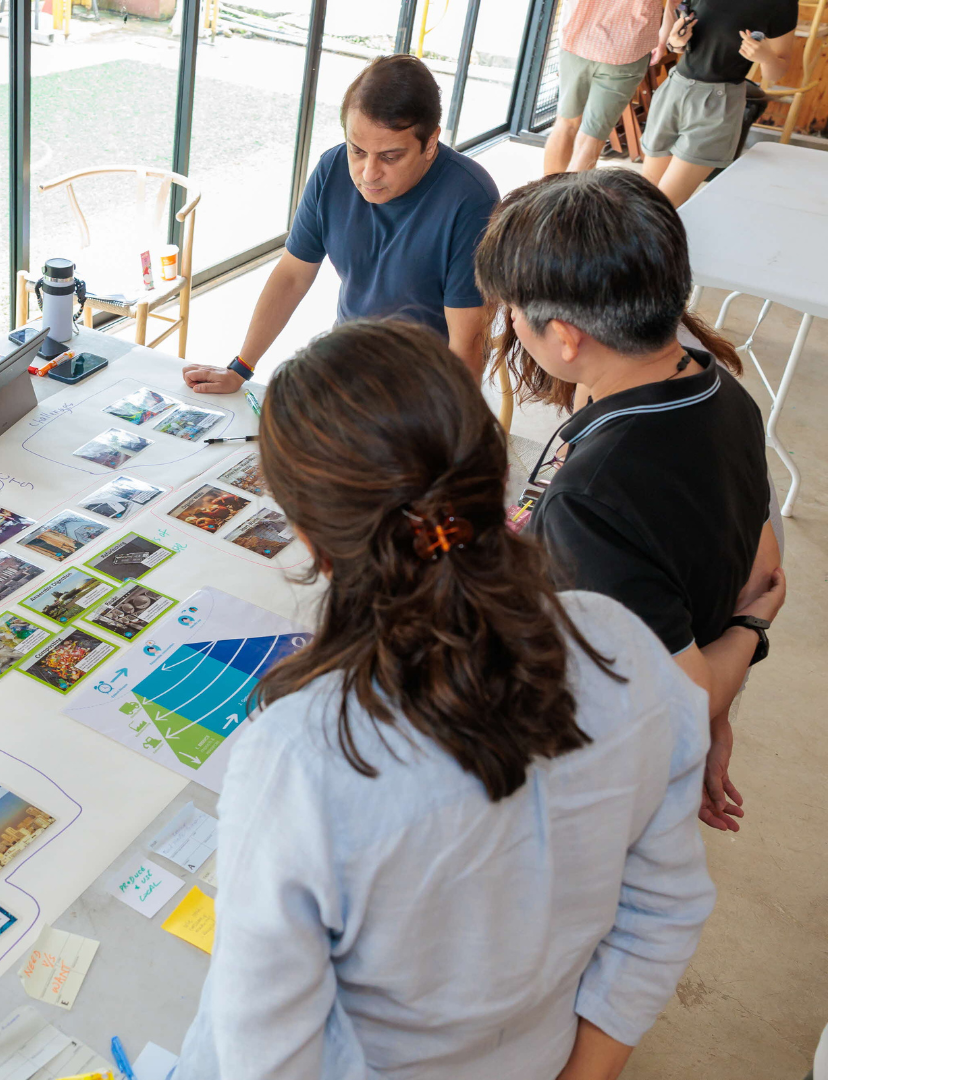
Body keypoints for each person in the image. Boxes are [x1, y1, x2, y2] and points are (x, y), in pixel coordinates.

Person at [174, 320, 716, 1080]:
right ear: (499, 472)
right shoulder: (625, 647)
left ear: (308, 536)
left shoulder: (300, 756)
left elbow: (263, 1058)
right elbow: (664, 911)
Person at [477, 168, 788, 832]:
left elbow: (681, 699)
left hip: (587, 764)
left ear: (565, 336)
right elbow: (758, 567)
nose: (507, 321)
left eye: (510, 308)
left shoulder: (592, 500)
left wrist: (743, 640)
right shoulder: (718, 387)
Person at [183, 54, 498, 394]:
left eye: (390, 157)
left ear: (431, 142)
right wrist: (240, 368)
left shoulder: (472, 200)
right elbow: (292, 276)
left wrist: (446, 436)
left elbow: (467, 344)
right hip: (346, 364)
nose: (368, 173)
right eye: (357, 150)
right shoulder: (332, 169)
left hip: (423, 386)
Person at [641, 0, 799, 205]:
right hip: (674, 90)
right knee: (644, 197)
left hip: (718, 103)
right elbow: (678, 44)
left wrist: (766, 58)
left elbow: (777, 72)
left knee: (665, 204)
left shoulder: (780, 4)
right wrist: (675, 42)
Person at [542, 0, 674, 174]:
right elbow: (674, 3)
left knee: (565, 123)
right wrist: (662, 39)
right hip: (627, 48)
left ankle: (544, 196)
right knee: (593, 136)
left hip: (578, 38)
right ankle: (569, 200)